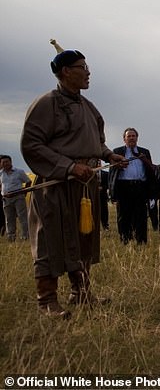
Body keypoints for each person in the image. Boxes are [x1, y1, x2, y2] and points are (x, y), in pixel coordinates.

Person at [21, 47, 127, 318]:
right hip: (56, 185)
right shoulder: (47, 103)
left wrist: (108, 155)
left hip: (85, 186)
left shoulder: (89, 107)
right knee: (51, 239)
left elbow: (96, 141)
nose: (88, 72)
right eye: (83, 67)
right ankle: (47, 301)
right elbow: (32, 144)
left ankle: (80, 292)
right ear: (66, 72)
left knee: (83, 239)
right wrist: (68, 166)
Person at [109, 128, 156, 245]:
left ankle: (141, 241)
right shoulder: (117, 151)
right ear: (124, 139)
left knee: (140, 216)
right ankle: (125, 240)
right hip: (123, 187)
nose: (131, 138)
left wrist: (152, 191)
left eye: (133, 136)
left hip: (140, 187)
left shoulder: (144, 152)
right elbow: (112, 171)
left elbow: (150, 170)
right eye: (129, 136)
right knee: (123, 216)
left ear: (137, 138)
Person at [0, 155, 31, 241]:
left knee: (22, 218)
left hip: (18, 198)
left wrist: (24, 193)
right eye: (3, 162)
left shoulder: (19, 171)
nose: (5, 164)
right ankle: (11, 237)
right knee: (9, 219)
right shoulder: (0, 173)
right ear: (1, 164)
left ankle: (25, 237)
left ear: (11, 162)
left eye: (7, 161)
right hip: (6, 199)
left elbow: (28, 181)